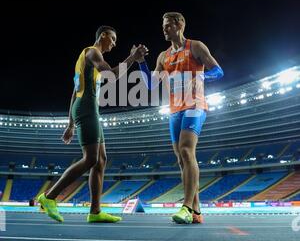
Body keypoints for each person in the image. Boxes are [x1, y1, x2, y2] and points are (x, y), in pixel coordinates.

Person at [37, 25, 148, 223]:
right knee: (90, 159)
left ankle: (95, 212)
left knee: (101, 159)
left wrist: (70, 124)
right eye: (112, 39)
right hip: (87, 108)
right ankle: (48, 197)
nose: (114, 44)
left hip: (87, 108)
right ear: (102, 35)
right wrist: (131, 57)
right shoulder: (92, 52)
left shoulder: (86, 59)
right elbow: (112, 76)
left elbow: (74, 92)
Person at [137, 12, 224, 224]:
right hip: (174, 109)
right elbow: (150, 84)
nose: (164, 29)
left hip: (195, 104)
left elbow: (218, 71)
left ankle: (185, 207)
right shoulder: (162, 56)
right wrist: (141, 62)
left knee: (186, 150)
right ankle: (196, 210)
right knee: (180, 158)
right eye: (163, 25)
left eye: (167, 25)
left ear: (179, 25)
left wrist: (201, 76)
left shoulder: (195, 46)